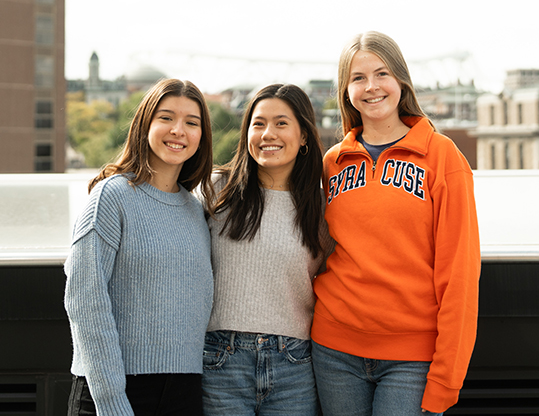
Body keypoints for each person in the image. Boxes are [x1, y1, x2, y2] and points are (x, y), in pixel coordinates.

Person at [311, 31, 481, 416]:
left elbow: (460, 274)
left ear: (401, 81)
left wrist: (446, 378)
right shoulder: (332, 162)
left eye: (381, 73)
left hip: (413, 359)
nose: (371, 87)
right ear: (345, 90)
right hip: (334, 351)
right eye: (357, 78)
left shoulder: (442, 157)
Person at [64, 78, 215, 416]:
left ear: (201, 137)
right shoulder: (111, 197)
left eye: (192, 123)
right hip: (113, 393)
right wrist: (113, 401)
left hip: (185, 393)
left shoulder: (196, 211)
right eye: (166, 118)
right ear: (144, 124)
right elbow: (85, 301)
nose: (179, 130)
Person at [201, 83, 333, 416]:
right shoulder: (216, 191)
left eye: (281, 123)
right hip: (221, 361)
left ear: (304, 136)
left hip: (295, 363)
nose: (268, 133)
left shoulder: (322, 207)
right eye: (258, 124)